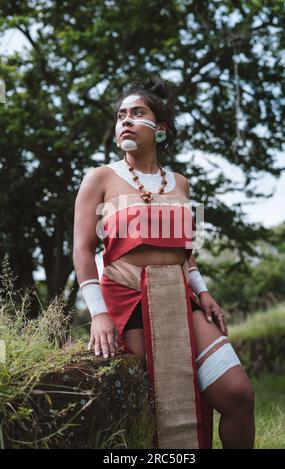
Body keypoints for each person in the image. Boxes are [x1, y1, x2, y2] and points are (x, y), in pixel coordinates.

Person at [73, 77, 255, 449]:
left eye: (137, 113)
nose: (126, 120)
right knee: (155, 409)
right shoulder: (99, 178)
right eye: (121, 115)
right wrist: (99, 314)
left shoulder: (181, 184)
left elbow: (188, 252)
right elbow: (82, 249)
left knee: (238, 394)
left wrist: (203, 293)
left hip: (180, 297)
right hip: (127, 301)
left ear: (161, 129)